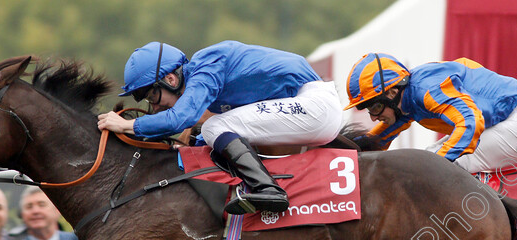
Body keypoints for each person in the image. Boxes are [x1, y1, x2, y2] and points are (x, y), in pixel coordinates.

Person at [97, 41, 342, 214]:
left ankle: (268, 189)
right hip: (311, 110)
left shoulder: (207, 64)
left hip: (314, 106)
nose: (156, 107)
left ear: (170, 79)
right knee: (210, 131)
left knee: (213, 126)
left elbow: (180, 118)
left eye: (153, 97)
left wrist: (127, 124)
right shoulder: (205, 83)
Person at [344, 53, 517, 174]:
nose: (372, 117)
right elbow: (378, 139)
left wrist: (436, 165)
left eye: (374, 107)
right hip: (504, 122)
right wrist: (349, 151)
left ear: (391, 92)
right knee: (425, 159)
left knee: (428, 169)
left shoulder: (427, 91)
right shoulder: (405, 97)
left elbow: (470, 123)